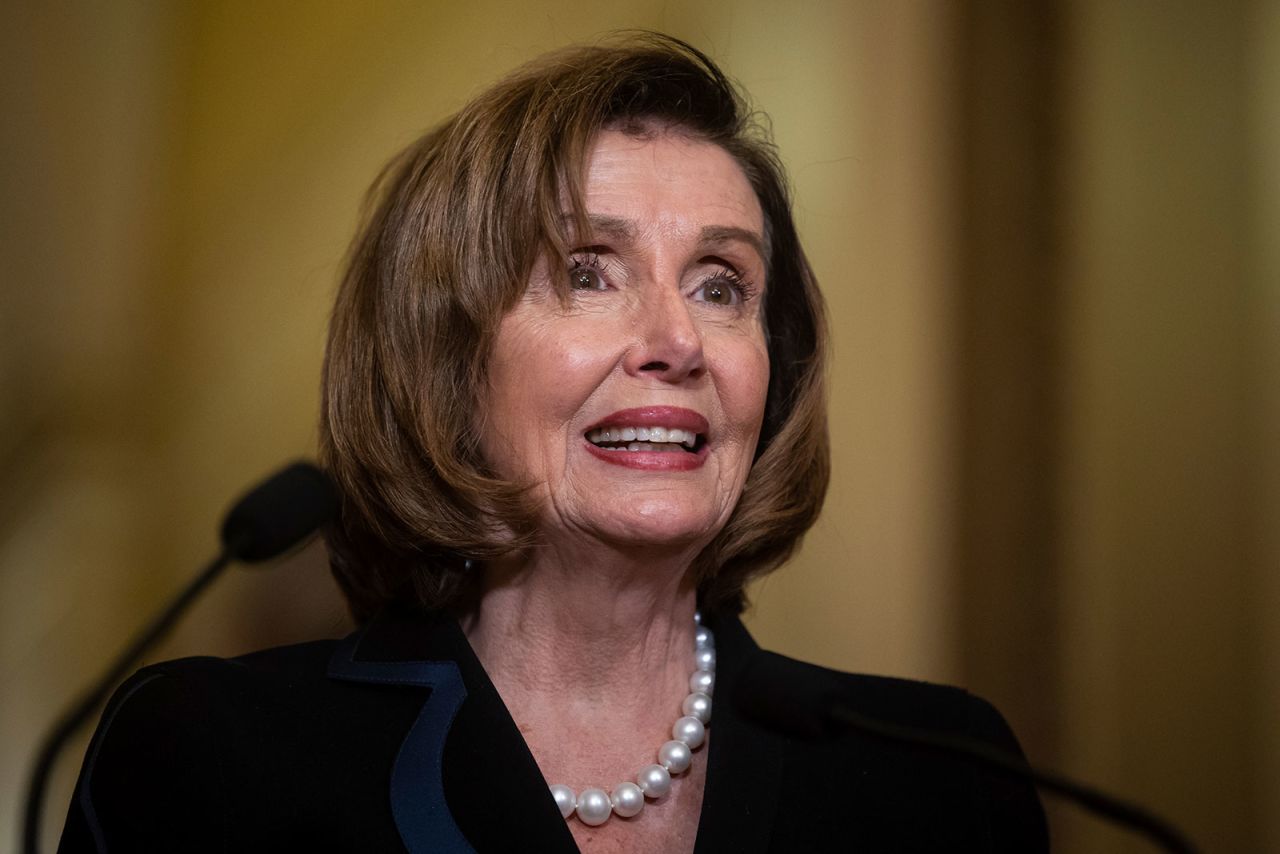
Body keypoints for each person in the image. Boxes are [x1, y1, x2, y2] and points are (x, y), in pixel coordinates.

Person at [59, 34, 1047, 853]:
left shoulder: (938, 774)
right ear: (444, 358)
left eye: (720, 285)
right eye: (587, 272)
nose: (676, 342)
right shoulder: (209, 761)